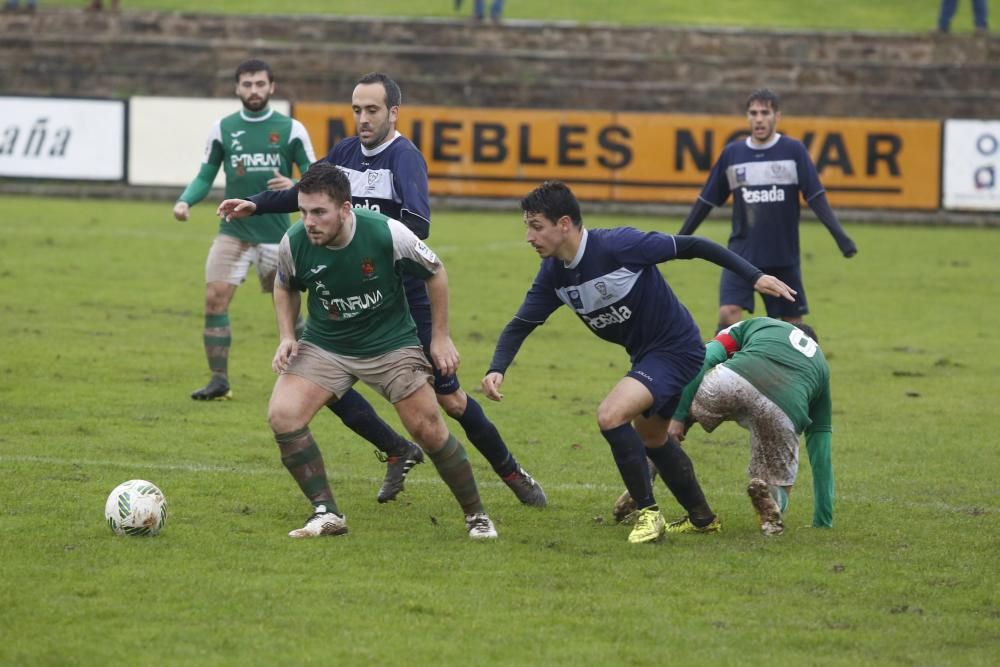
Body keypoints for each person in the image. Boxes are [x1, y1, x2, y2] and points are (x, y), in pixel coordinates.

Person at [217, 72, 546, 508]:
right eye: (356, 109)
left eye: (372, 110)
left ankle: (512, 472)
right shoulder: (346, 152)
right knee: (322, 380)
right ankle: (397, 449)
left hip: (407, 298)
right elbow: (310, 193)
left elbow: (419, 224)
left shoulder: (405, 158)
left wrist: (368, 232)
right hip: (355, 296)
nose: (363, 118)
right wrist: (257, 203)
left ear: (393, 112)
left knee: (449, 400)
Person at [481, 181, 798, 544]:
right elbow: (521, 323)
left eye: (536, 226)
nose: (528, 236)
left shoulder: (620, 245)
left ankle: (649, 515)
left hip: (677, 350)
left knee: (611, 415)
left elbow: (692, 246)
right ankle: (703, 518)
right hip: (648, 356)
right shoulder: (554, 275)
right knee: (653, 439)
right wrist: (497, 367)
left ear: (564, 224)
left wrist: (755, 276)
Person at [268, 162, 497, 540]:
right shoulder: (294, 241)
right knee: (283, 415)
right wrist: (286, 335)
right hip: (327, 344)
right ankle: (326, 513)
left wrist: (440, 337)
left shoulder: (387, 233)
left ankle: (477, 516)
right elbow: (284, 285)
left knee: (427, 428)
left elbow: (435, 272)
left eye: (319, 212)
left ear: (345, 209)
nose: (309, 221)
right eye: (304, 211)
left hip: (390, 343)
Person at [614, 318, 834, 536]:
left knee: (661, 425)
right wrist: (823, 519)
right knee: (778, 479)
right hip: (785, 407)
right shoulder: (820, 367)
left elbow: (703, 358)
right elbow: (820, 445)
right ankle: (772, 500)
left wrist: (679, 416)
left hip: (734, 379)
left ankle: (641, 485)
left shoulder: (758, 325)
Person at [175, 59, 315, 401]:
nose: (254, 90)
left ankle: (312, 376)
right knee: (214, 299)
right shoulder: (223, 129)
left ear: (272, 87)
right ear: (237, 88)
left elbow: (317, 177)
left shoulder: (292, 129)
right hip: (233, 231)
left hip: (277, 235)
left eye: (260, 84)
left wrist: (296, 183)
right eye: (247, 84)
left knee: (292, 309)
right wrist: (185, 201)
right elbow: (206, 174)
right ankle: (218, 379)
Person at [678, 88, 857, 333]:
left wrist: (841, 237)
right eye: (753, 113)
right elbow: (706, 200)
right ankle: (723, 370)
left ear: (777, 117)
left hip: (782, 255)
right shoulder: (733, 154)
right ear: (747, 117)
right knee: (728, 312)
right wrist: (680, 239)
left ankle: (792, 370)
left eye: (765, 112)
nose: (759, 118)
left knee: (791, 327)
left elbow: (815, 196)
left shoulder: (793, 151)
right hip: (741, 253)